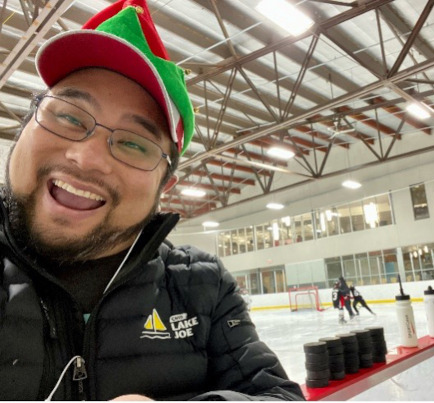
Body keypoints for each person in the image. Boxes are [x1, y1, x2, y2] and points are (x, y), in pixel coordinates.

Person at [0, 1, 304, 401]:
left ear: (166, 186)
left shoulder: (200, 286)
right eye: (71, 117)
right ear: (24, 126)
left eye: (132, 143)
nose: (87, 158)